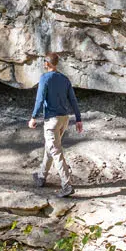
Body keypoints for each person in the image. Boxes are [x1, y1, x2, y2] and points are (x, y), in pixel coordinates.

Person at [28, 53, 83, 198]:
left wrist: (33, 117)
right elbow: (73, 99)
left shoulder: (45, 78)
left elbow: (39, 99)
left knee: (55, 151)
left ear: (47, 63)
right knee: (50, 147)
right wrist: (78, 118)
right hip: (64, 119)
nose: (43, 63)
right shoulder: (64, 79)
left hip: (52, 121)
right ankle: (41, 177)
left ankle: (66, 185)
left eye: (44, 61)